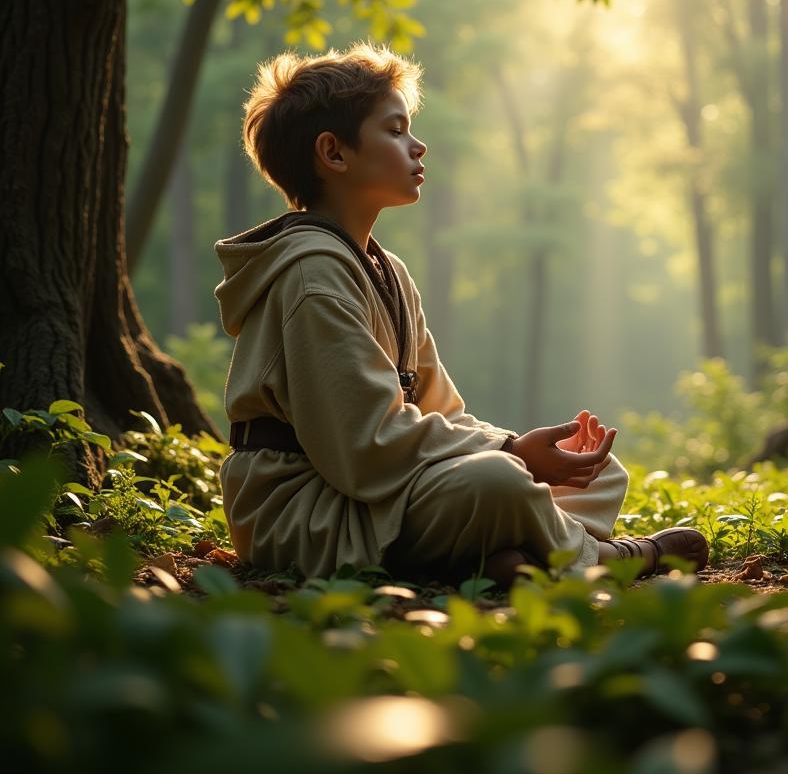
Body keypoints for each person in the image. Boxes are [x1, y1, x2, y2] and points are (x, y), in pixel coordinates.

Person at [214, 43, 708, 588]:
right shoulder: (312, 277)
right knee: (497, 480)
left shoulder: (388, 272)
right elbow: (365, 450)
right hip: (304, 511)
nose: (418, 145)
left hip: (375, 494)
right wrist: (510, 454)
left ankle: (499, 557)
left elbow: (440, 412)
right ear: (334, 153)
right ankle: (602, 560)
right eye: (396, 130)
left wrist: (530, 451)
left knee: (595, 471)